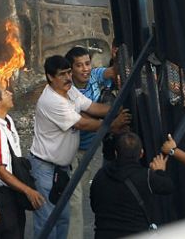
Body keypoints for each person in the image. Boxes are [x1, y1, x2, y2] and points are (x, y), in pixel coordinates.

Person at [29, 55, 130, 239]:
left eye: (69, 72)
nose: (68, 77)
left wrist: (119, 107)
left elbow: (92, 107)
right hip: (45, 168)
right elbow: (82, 124)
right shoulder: (52, 100)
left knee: (63, 218)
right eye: (62, 74)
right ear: (50, 77)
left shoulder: (69, 91)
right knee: (47, 222)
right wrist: (112, 125)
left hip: (61, 168)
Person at [0, 80, 45, 239]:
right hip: (2, 195)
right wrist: (28, 191)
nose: (10, 93)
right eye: (5, 92)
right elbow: (1, 171)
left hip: (11, 190)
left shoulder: (6, 120)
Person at [64, 46, 117, 239]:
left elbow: (112, 71)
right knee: (74, 201)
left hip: (87, 151)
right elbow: (85, 121)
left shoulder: (94, 75)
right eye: (79, 65)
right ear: (71, 70)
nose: (85, 69)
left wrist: (118, 56)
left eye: (87, 63)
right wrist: (112, 123)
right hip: (70, 153)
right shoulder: (68, 92)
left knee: (72, 197)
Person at [89, 132, 175, 238]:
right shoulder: (146, 177)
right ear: (141, 153)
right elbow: (168, 186)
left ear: (116, 153)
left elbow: (94, 205)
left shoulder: (101, 174)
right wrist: (160, 171)